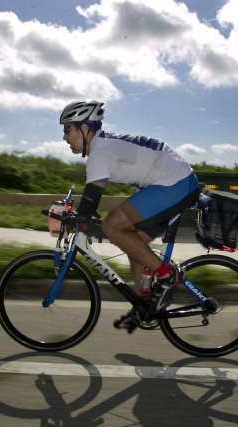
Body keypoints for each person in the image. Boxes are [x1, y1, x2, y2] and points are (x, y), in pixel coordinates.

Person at [60, 100, 199, 332]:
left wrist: (77, 218)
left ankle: (166, 277)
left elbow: (92, 196)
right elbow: (90, 201)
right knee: (134, 244)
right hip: (174, 181)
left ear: (84, 128)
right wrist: (81, 217)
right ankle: (145, 307)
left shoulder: (100, 151)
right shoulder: (104, 146)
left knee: (112, 226)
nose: (64, 137)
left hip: (174, 182)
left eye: (67, 129)